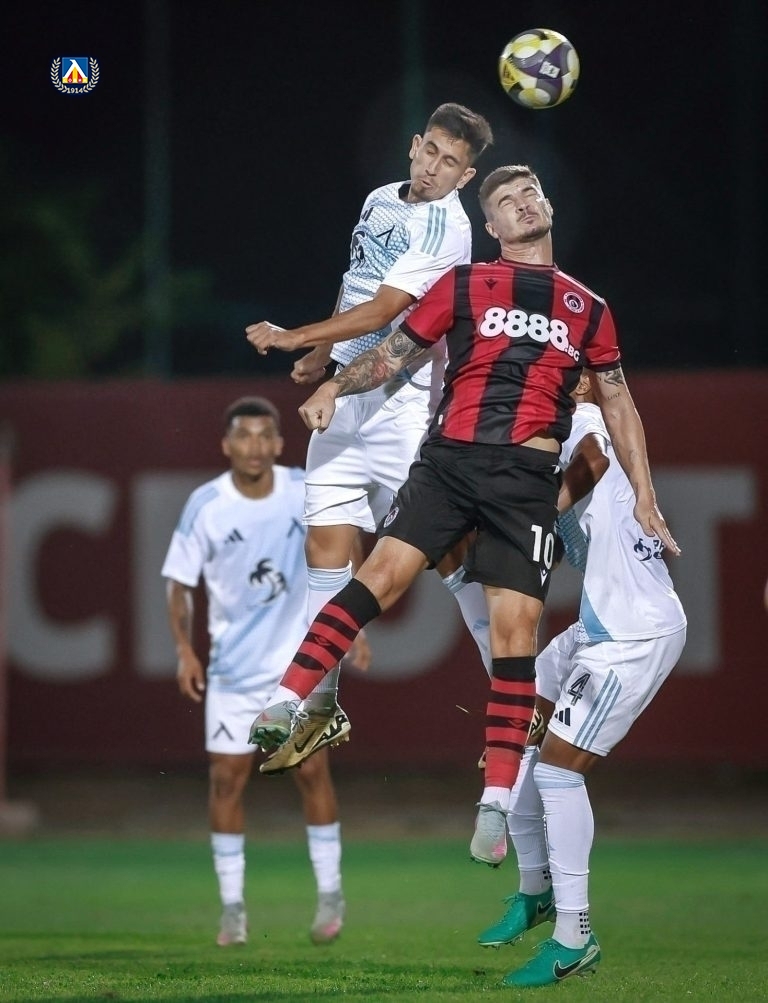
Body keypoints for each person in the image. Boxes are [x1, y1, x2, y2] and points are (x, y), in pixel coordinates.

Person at [248, 165, 681, 877]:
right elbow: (394, 353)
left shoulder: (589, 307)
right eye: (506, 200)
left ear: (547, 205)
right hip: (448, 462)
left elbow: (617, 400)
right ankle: (284, 700)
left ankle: (494, 804)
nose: (522, 203)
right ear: (492, 227)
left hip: (525, 482)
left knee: (515, 639)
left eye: (530, 192)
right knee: (376, 580)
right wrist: (335, 386)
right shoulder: (464, 284)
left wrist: (646, 493)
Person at [244, 103, 495, 771]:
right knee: (326, 554)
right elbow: (356, 282)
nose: (435, 168)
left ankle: (514, 690)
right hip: (344, 399)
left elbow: (388, 309)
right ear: (414, 145)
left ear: (466, 176)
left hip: (405, 410)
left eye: (451, 163)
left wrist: (296, 334)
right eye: (431, 151)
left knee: (451, 555)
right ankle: (321, 710)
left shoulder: (447, 226)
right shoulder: (381, 197)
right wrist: (320, 353)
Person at [476, 371, 687, 988]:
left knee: (557, 773)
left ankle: (574, 936)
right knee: (517, 730)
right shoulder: (555, 432)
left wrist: (534, 517)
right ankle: (535, 889)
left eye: (577, 373)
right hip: (596, 628)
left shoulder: (584, 424)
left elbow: (592, 458)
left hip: (631, 636)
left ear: (591, 386)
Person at [162, 396, 354, 948]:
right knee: (226, 780)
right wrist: (184, 649)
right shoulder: (206, 504)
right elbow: (178, 583)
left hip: (298, 668)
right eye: (244, 436)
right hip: (232, 672)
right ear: (226, 444)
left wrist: (352, 623)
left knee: (312, 772)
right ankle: (232, 908)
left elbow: (345, 539)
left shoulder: (303, 488)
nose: (255, 445)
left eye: (264, 435)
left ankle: (331, 894)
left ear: (279, 443)